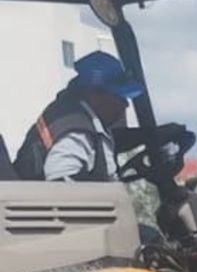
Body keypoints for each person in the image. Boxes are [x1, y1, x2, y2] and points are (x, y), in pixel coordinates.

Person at [13, 50, 146, 183]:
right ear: (95, 95)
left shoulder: (80, 117)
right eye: (119, 97)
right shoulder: (76, 131)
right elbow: (61, 184)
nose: (125, 105)